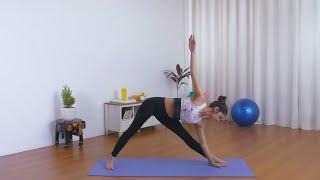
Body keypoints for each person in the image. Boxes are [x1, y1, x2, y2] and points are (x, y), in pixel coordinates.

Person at [106, 35, 229, 170]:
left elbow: (203, 144)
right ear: (216, 110)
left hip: (169, 117)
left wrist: (211, 159)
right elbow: (194, 73)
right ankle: (111, 158)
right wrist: (192, 51)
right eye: (220, 118)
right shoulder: (199, 98)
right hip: (153, 105)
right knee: (131, 130)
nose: (219, 120)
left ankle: (212, 158)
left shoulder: (199, 123)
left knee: (188, 140)